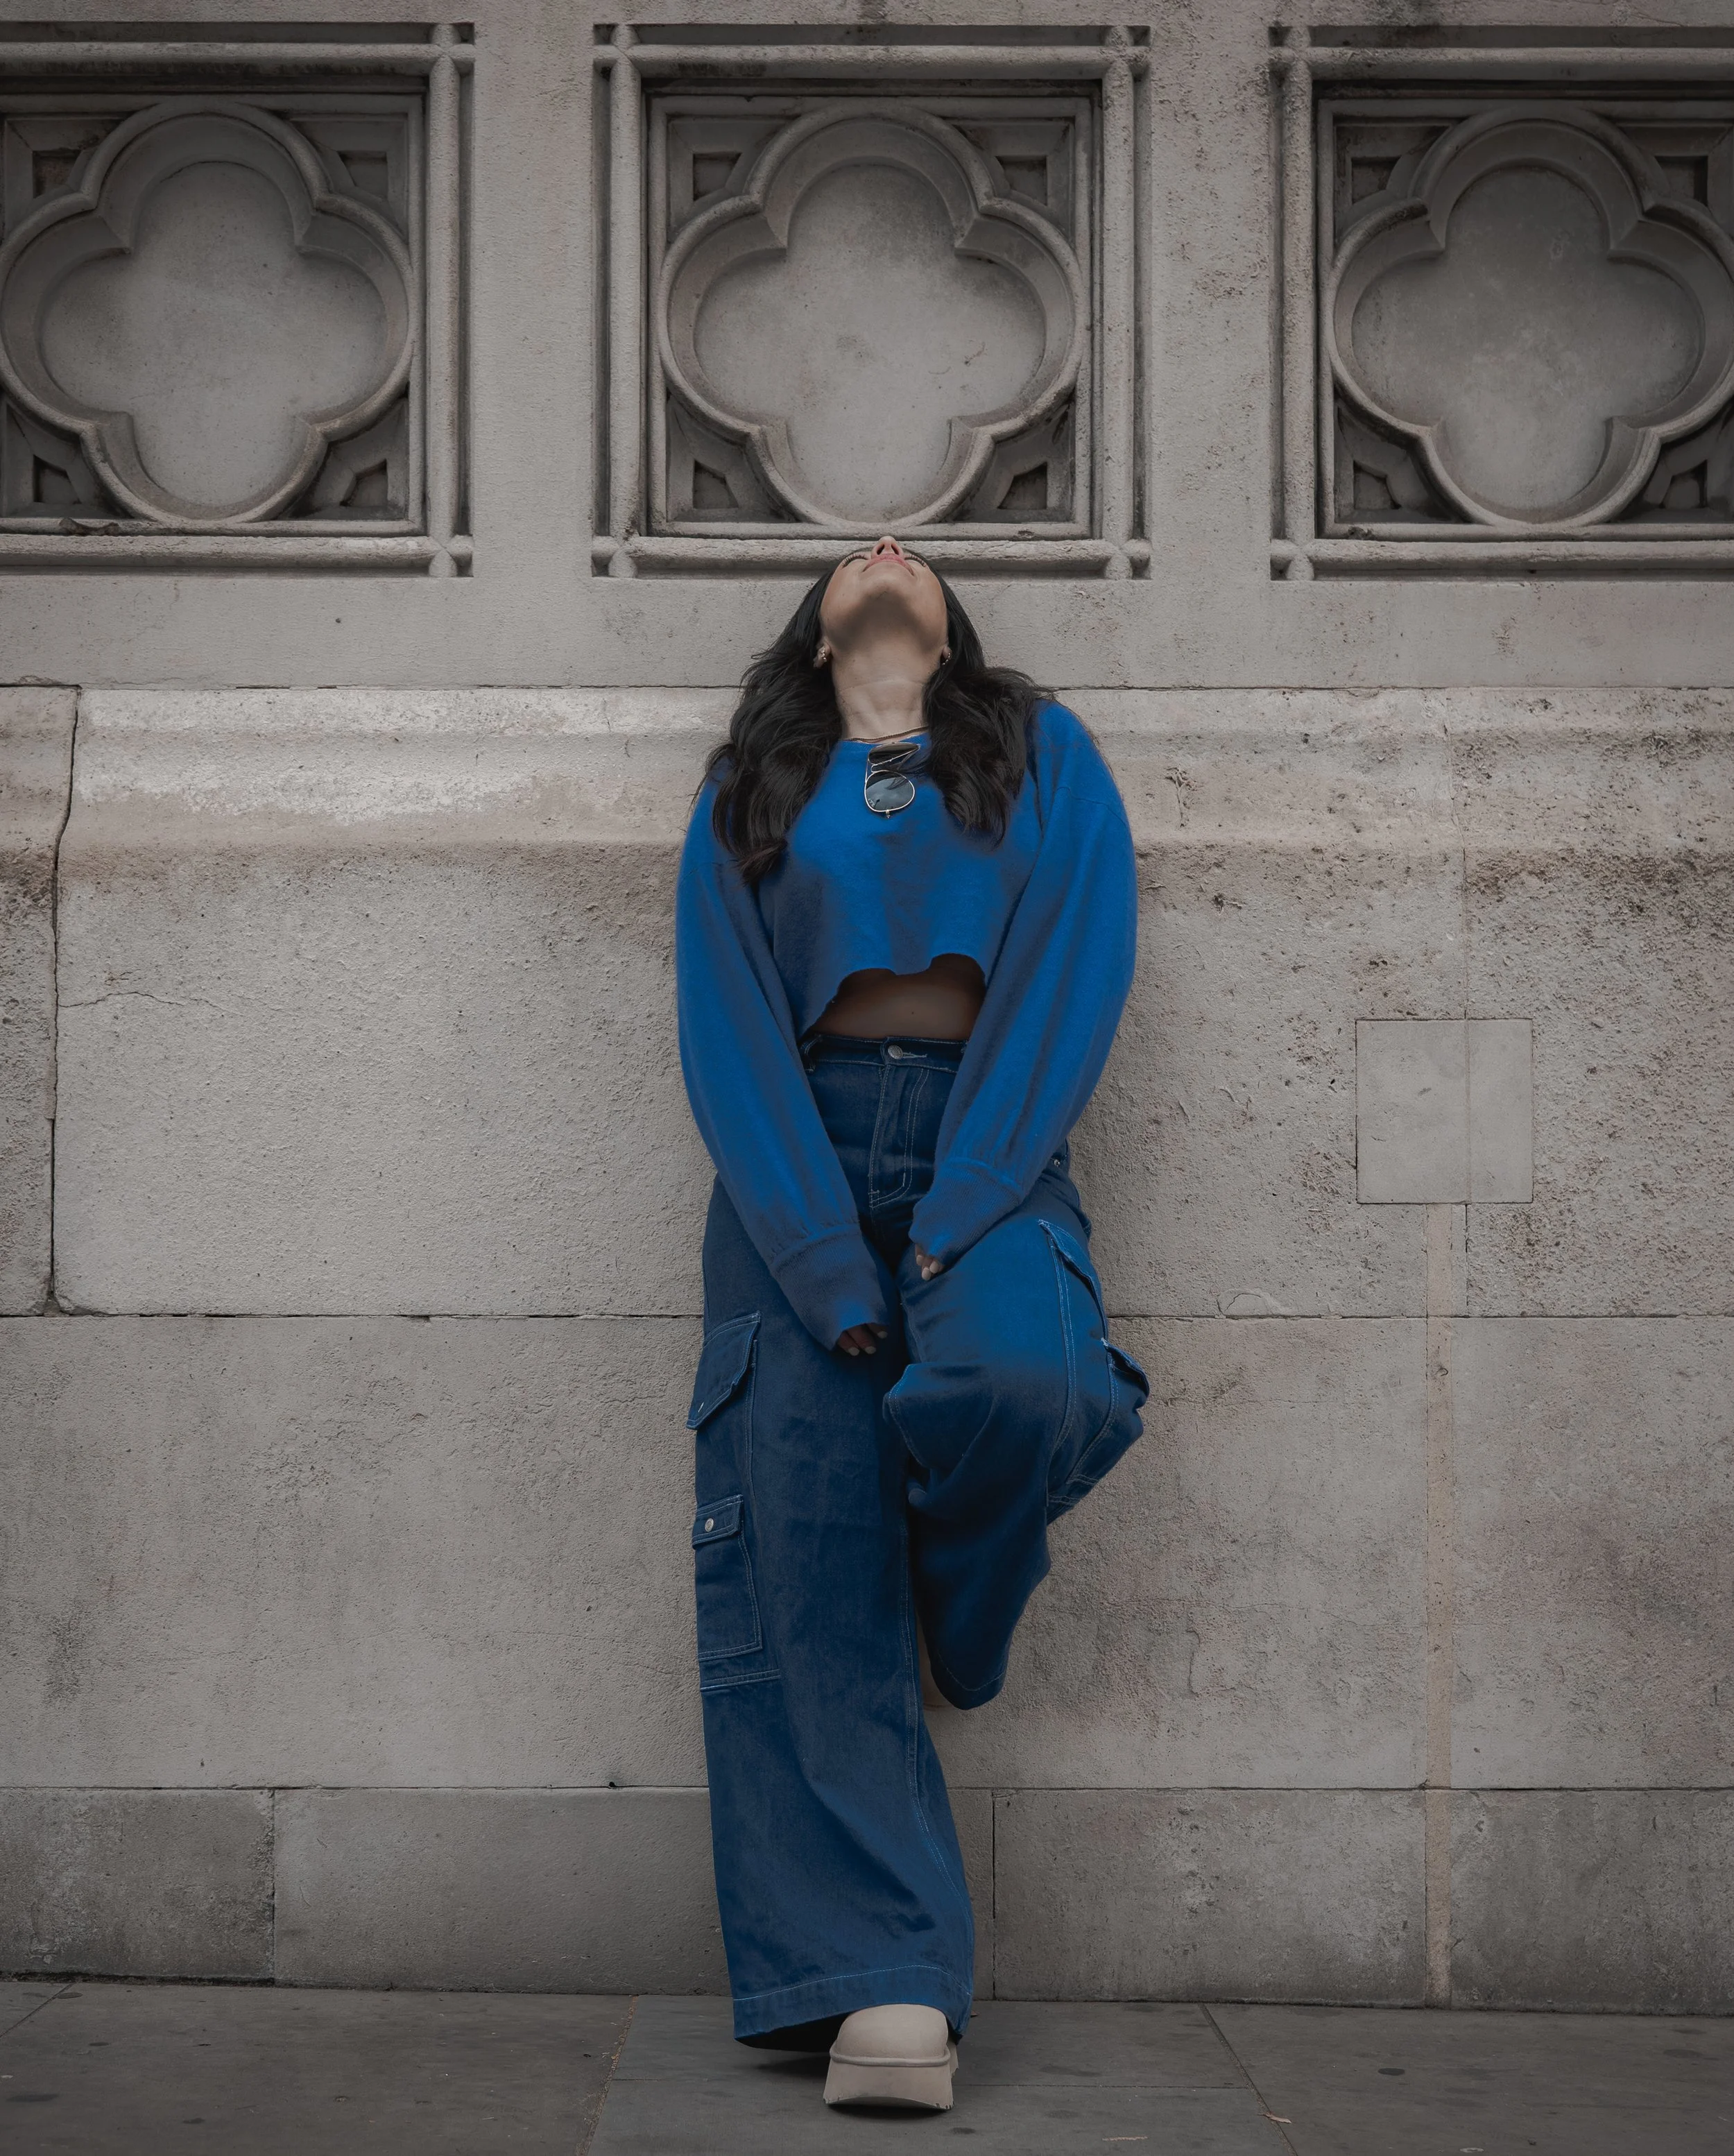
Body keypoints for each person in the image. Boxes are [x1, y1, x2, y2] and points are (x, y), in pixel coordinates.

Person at [673, 533, 1149, 2114]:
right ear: (815, 635)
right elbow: (723, 1016)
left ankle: (960, 1596)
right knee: (803, 1560)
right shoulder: (751, 778)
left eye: (916, 547)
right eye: (850, 551)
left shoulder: (1039, 750)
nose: (884, 542)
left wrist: (959, 1211)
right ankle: (878, 1976)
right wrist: (816, 1255)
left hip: (984, 1143)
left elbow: (1072, 973)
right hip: (791, 1160)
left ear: (952, 621)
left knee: (1027, 1377)